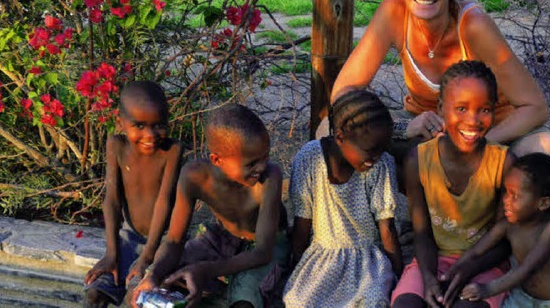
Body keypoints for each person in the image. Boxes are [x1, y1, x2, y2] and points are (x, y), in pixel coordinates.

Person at [330, 0, 550, 171]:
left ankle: (498, 201)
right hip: (424, 129)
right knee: (330, 131)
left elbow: (535, 108)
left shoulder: (474, 25)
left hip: (488, 128)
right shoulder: (393, 12)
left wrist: (478, 143)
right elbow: (343, 92)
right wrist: (401, 127)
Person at [131, 103, 289, 308]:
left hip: (267, 245)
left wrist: (205, 269)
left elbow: (263, 252)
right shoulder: (195, 177)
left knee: (245, 302)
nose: (261, 167)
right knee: (150, 289)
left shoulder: (269, 178)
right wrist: (155, 274)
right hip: (222, 238)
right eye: (251, 163)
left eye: (265, 157)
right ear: (217, 160)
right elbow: (173, 240)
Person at [391, 61, 515, 308]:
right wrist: (429, 277)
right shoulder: (418, 159)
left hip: (483, 265)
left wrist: (466, 269)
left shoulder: (504, 163)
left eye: (484, 110)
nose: (473, 120)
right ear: (440, 108)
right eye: (461, 108)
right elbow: (421, 231)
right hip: (431, 261)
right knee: (406, 305)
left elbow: (505, 239)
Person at [284, 89, 403, 307]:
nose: (375, 158)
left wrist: (399, 274)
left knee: (373, 299)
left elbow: (387, 227)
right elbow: (303, 222)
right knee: (298, 299)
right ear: (340, 136)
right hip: (322, 255)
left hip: (367, 260)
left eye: (382, 150)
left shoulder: (380, 165)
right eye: (370, 151)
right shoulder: (309, 159)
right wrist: (296, 265)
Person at [84, 81, 183, 307]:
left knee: (136, 298)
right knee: (94, 295)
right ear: (120, 122)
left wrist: (147, 258)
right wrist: (111, 253)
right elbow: (111, 200)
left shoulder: (172, 150)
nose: (150, 135)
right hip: (128, 238)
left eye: (158, 125)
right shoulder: (116, 145)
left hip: (162, 242)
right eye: (139, 126)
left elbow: (164, 202)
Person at [459, 153, 550, 307]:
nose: (505, 200)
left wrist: (487, 289)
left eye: (514, 196)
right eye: (505, 191)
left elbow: (526, 269)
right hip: (524, 298)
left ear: (543, 203)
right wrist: (453, 273)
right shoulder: (507, 224)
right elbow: (475, 251)